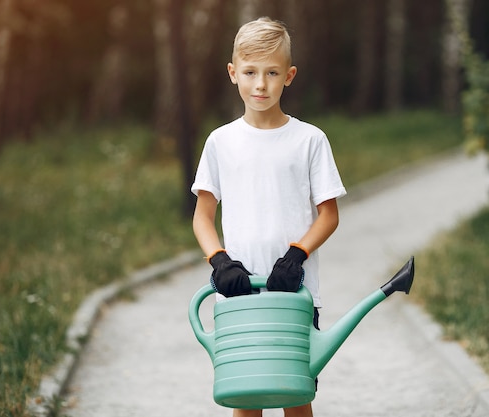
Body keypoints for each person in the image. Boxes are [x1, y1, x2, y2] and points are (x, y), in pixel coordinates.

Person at [191, 17, 347, 417]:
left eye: (272, 73)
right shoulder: (220, 142)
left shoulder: (310, 140)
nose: (260, 84)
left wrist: (296, 256)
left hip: (293, 291)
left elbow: (328, 215)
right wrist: (220, 262)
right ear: (233, 74)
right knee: (245, 400)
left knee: (296, 398)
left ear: (289, 76)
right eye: (250, 72)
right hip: (239, 291)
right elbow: (203, 218)